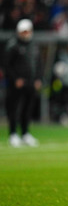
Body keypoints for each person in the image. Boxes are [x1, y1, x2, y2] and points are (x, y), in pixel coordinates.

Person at [4, 19, 42, 147]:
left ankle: (25, 133)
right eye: (23, 31)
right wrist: (15, 79)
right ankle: (13, 134)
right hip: (16, 84)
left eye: (27, 31)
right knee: (14, 109)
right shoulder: (12, 45)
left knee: (27, 109)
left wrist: (38, 79)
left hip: (31, 82)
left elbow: (39, 64)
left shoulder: (34, 45)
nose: (25, 34)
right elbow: (6, 65)